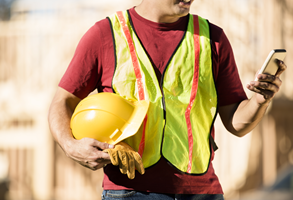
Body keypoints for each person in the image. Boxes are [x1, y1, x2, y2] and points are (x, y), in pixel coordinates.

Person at [48, 0, 287, 199]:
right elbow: (62, 102)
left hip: (203, 193)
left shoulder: (213, 39)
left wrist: (259, 100)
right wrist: (71, 147)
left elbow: (237, 123)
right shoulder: (104, 35)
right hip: (129, 193)